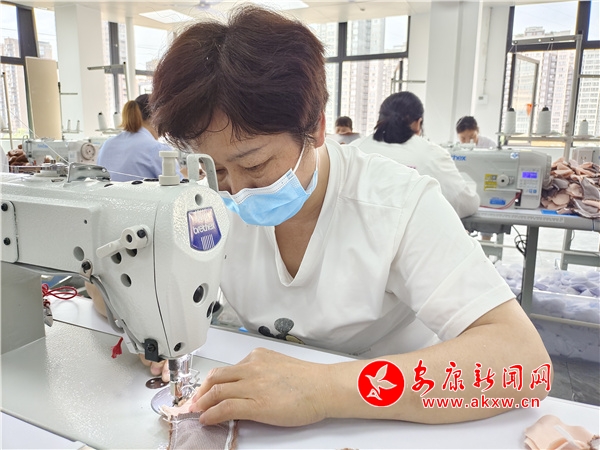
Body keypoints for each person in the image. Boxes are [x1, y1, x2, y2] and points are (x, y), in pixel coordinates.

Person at [147, 5, 550, 427]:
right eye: (213, 170)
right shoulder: (210, 201)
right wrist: (152, 324)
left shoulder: (397, 203)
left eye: (255, 165)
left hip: (395, 418)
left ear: (316, 129)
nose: (234, 191)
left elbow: (525, 365)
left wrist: (322, 389)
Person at [355, 92, 480, 219]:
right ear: (418, 123)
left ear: (380, 119)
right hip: (410, 230)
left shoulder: (355, 148)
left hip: (357, 228)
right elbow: (465, 204)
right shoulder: (432, 154)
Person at [97, 94, 185, 181]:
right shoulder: (157, 149)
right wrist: (184, 175)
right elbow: (176, 186)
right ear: (155, 117)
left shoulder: (106, 145)